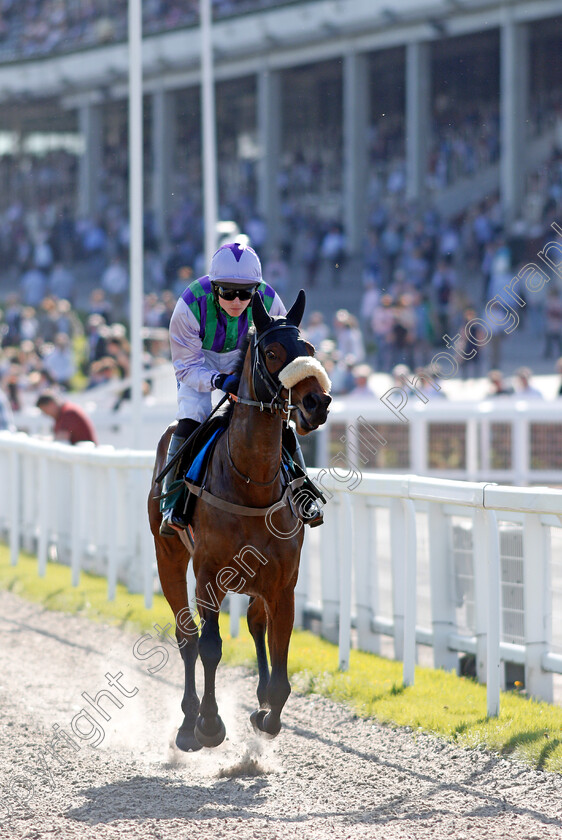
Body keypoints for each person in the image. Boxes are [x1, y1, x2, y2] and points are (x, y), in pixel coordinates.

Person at [159, 242, 324, 535]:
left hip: (248, 359)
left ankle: (303, 491)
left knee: (276, 420)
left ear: (256, 289)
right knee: (192, 416)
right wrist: (219, 381)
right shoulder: (188, 305)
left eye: (246, 293)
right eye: (227, 292)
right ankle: (174, 501)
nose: (237, 301)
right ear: (213, 287)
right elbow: (185, 367)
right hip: (200, 362)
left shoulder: (271, 302)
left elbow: (282, 349)